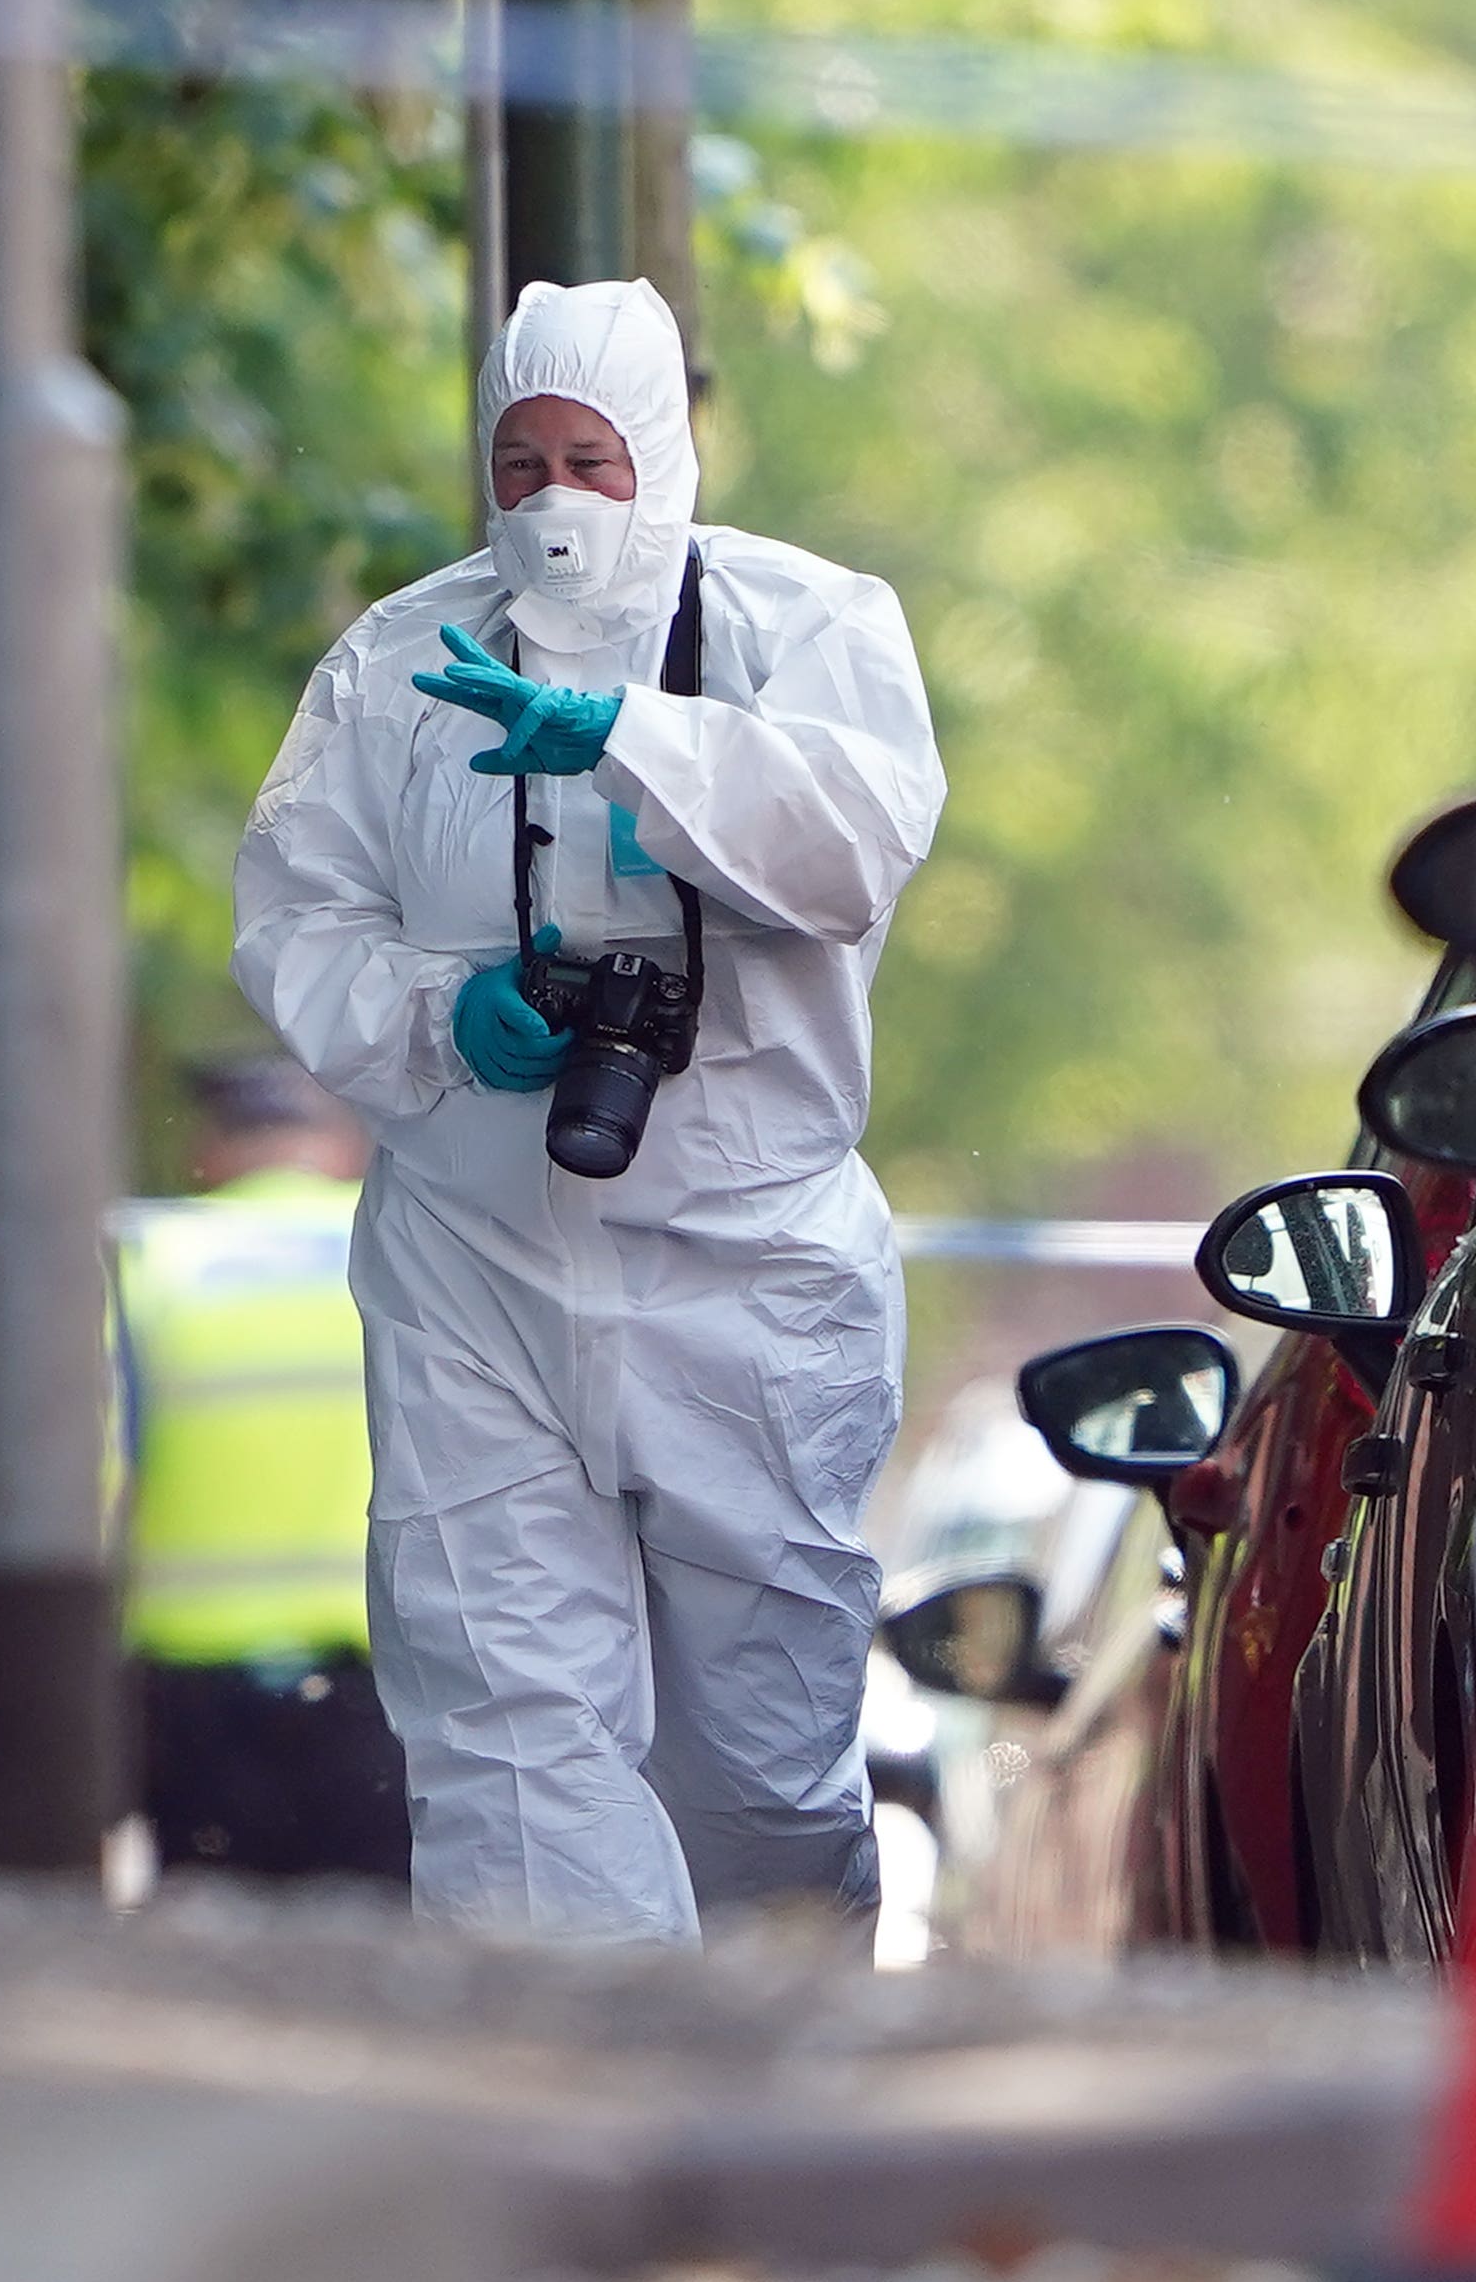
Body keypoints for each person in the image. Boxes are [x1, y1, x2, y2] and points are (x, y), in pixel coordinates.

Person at [231, 277, 944, 1944]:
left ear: (667, 461)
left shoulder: (806, 626)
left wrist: (630, 740)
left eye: (595, 462)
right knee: (503, 1734)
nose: (553, 500)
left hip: (749, 1271)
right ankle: (564, 2116)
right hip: (479, 1255)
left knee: (761, 1774)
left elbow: (854, 841)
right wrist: (442, 1019)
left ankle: (771, 2113)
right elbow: (297, 912)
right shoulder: (399, 660)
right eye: (520, 460)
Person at [110, 1053, 410, 1878]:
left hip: (193, 1691)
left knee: (212, 1961)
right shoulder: (409, 1253)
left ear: (206, 1154)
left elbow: (92, 1478)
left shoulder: (151, 1260)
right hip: (387, 1675)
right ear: (347, 1150)